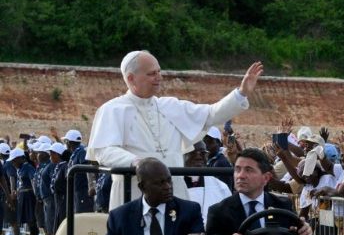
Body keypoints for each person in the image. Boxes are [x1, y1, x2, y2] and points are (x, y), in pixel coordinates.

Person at [87, 50, 263, 209]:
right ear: (131, 78)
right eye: (151, 74)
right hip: (133, 193)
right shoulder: (113, 110)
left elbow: (211, 114)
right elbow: (104, 151)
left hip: (173, 190)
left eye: (159, 72)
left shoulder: (170, 106)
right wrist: (138, 163)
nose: (159, 77)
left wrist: (241, 92)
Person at [205, 148, 326, 235]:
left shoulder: (282, 205)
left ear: (266, 178)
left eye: (249, 170)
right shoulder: (219, 211)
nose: (240, 176)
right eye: (237, 170)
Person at [183, 141, 231, 225]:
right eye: (192, 152)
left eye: (202, 153)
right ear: (182, 155)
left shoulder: (221, 187)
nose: (198, 157)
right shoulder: (173, 186)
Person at [8, 148, 39, 235]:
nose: (13, 163)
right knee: (29, 223)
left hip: (29, 197)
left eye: (14, 160)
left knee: (32, 223)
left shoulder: (28, 167)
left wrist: (36, 196)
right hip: (23, 197)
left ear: (21, 158)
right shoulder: (20, 168)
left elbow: (33, 181)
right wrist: (16, 191)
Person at [63, 129, 95, 213]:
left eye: (66, 141)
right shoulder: (76, 153)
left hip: (82, 192)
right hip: (76, 191)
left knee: (81, 217)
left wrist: (91, 186)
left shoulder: (81, 152)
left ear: (69, 142)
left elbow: (88, 168)